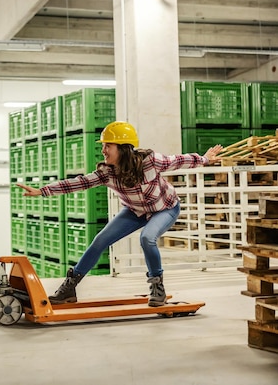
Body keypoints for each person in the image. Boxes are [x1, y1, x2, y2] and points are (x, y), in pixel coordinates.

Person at [17, 121, 223, 307]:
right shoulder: (107, 172)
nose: (103, 150)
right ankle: (70, 287)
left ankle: (157, 287)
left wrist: (204, 159)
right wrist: (43, 190)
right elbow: (79, 182)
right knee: (100, 240)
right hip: (135, 211)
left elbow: (178, 160)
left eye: (108, 145)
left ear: (123, 148)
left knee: (147, 238)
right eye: (103, 145)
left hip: (165, 208)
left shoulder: (150, 161)